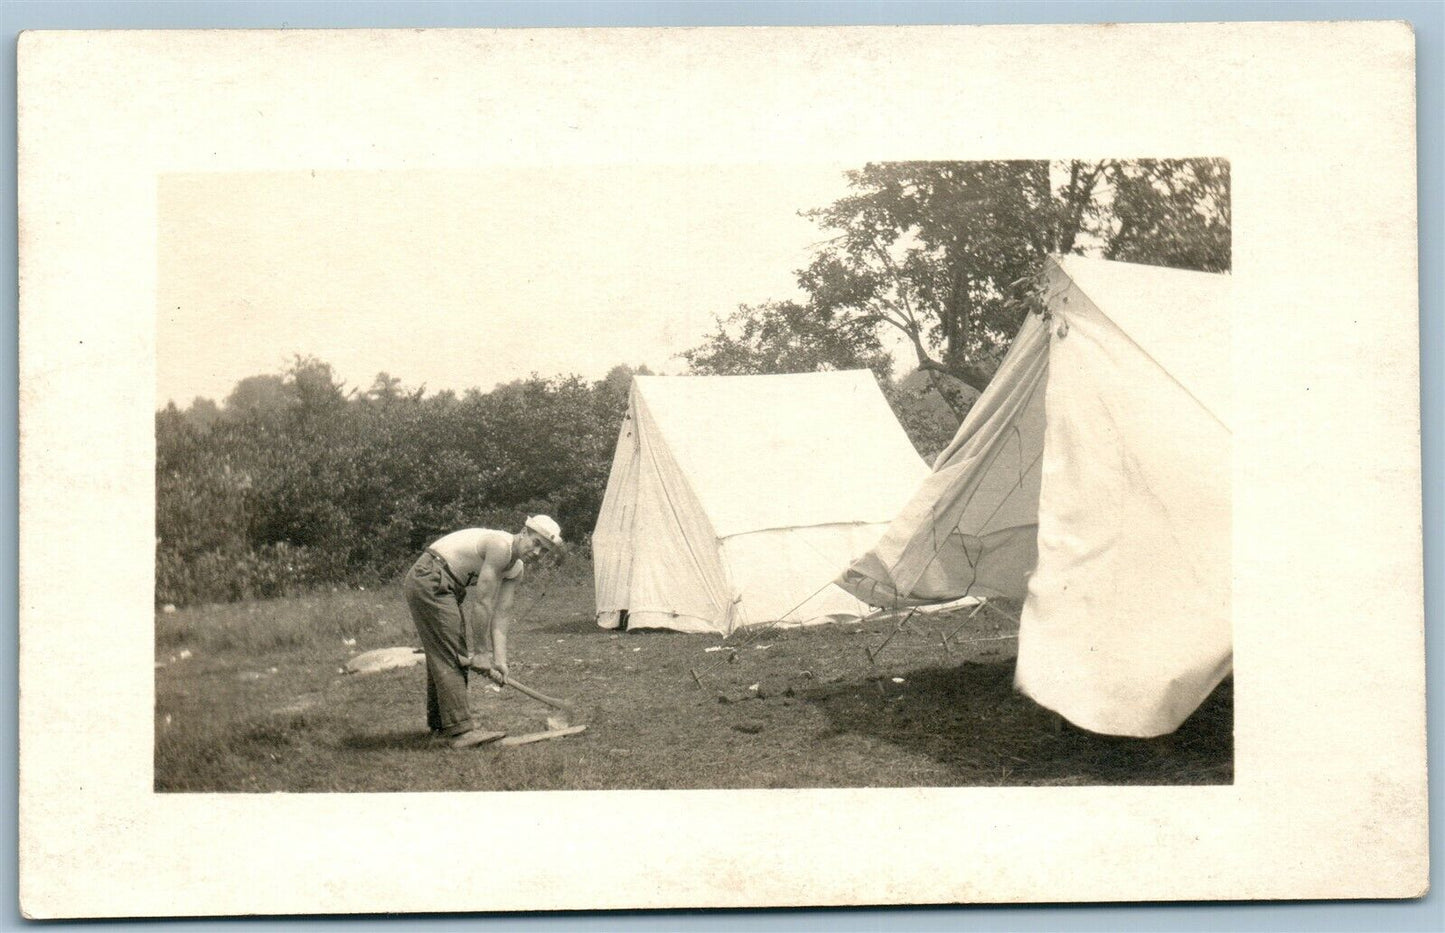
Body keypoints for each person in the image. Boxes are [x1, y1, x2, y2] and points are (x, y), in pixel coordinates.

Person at [403, 515, 564, 749]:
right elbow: (482, 603)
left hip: (446, 586)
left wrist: (500, 660)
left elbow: (501, 616)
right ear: (524, 532)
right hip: (430, 575)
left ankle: (442, 727)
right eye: (536, 543)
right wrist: (480, 653)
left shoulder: (516, 569)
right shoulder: (500, 546)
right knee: (450, 652)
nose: (537, 553)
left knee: (446, 652)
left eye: (544, 551)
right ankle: (459, 732)